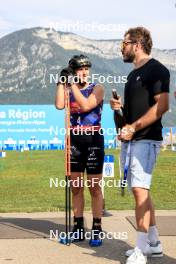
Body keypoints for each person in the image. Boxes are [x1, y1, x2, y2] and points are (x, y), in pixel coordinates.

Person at [110, 27, 170, 264]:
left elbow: (162, 105)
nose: (121, 48)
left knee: (139, 191)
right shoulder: (131, 75)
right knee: (142, 191)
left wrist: (133, 128)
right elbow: (130, 117)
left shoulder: (157, 70)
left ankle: (140, 249)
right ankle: (153, 243)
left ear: (136, 44)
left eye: (124, 43)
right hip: (134, 139)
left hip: (146, 139)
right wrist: (120, 113)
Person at [55, 54, 105, 246]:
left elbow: (85, 106)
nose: (84, 72)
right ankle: (78, 229)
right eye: (79, 69)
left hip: (93, 139)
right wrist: (61, 81)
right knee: (76, 187)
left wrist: (72, 85)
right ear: (73, 72)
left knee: (94, 187)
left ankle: (97, 229)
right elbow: (60, 105)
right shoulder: (69, 89)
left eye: (86, 69)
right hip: (74, 139)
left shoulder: (97, 88)